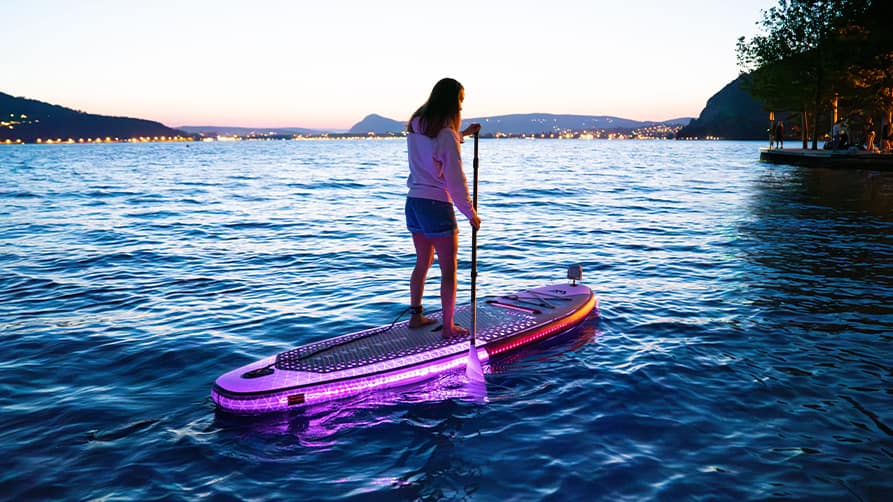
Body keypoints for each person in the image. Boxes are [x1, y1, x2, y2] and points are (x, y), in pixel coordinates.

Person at [404, 78, 481, 338]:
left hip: (414, 202)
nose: (461, 105)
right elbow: (455, 180)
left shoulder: (417, 126)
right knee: (448, 270)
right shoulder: (446, 135)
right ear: (452, 102)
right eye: (460, 99)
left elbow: (434, 145)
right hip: (437, 204)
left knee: (422, 262)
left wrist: (464, 134)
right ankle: (448, 327)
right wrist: (470, 213)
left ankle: (416, 316)